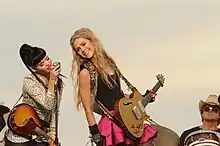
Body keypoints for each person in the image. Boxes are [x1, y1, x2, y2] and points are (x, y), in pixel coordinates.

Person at [70, 28, 179, 146]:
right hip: (112, 124)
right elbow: (87, 109)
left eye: (83, 44)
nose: (83, 50)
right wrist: (96, 135)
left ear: (92, 40)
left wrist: (144, 98)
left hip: (128, 118)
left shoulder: (109, 62)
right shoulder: (85, 73)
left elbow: (118, 94)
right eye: (78, 49)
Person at [4, 44, 64, 146]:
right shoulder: (29, 81)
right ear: (35, 68)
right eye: (41, 64)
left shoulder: (56, 81)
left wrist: (53, 133)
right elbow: (48, 105)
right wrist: (52, 80)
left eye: (47, 59)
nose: (47, 64)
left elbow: (54, 109)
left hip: (42, 135)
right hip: (22, 137)